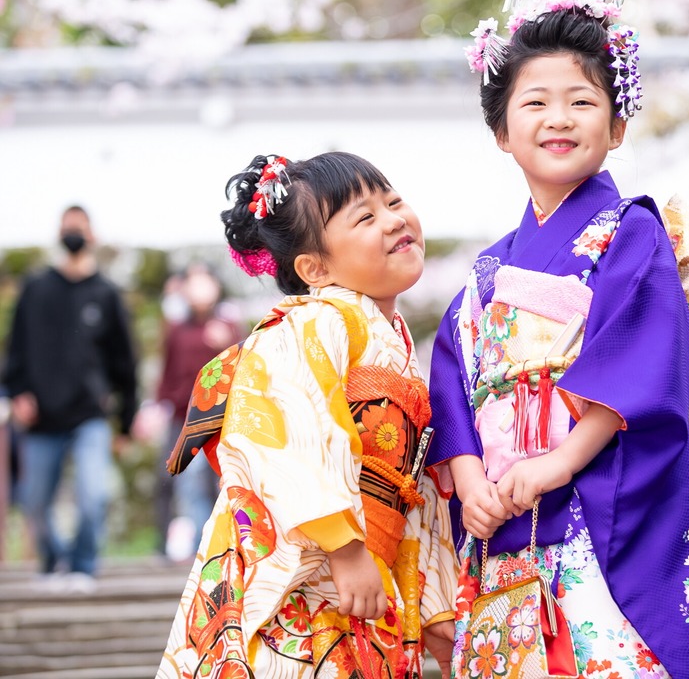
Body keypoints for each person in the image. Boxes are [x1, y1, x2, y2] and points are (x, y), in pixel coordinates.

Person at [427, 0, 689, 678]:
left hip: (597, 502)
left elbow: (641, 361)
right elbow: (453, 378)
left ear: (617, 127)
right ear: (502, 131)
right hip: (503, 515)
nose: (558, 118)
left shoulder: (630, 234)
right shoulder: (487, 270)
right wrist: (470, 483)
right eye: (534, 103)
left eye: (582, 102)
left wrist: (560, 462)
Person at [156, 151, 457, 679]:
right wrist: (343, 548)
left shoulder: (394, 342)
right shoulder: (311, 324)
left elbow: (409, 487)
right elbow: (290, 433)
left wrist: (435, 604)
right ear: (314, 269)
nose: (393, 220)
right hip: (308, 572)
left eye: (393, 201)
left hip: (366, 573)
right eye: (365, 217)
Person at [2, 204, 138, 593]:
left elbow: (125, 363)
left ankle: (82, 565)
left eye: (79, 228)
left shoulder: (106, 294)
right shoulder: (36, 288)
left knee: (93, 494)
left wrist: (125, 423)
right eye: (67, 228)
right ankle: (53, 560)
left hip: (88, 417)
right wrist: (17, 393)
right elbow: (16, 349)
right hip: (40, 417)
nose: (73, 234)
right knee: (34, 504)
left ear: (91, 235)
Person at [152, 265, 242, 561]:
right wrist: (158, 405)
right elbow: (167, 372)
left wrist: (225, 342)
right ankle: (195, 547)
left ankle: (213, 547)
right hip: (182, 418)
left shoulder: (227, 325)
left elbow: (243, 365)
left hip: (220, 420)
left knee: (212, 483)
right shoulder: (177, 328)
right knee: (181, 481)